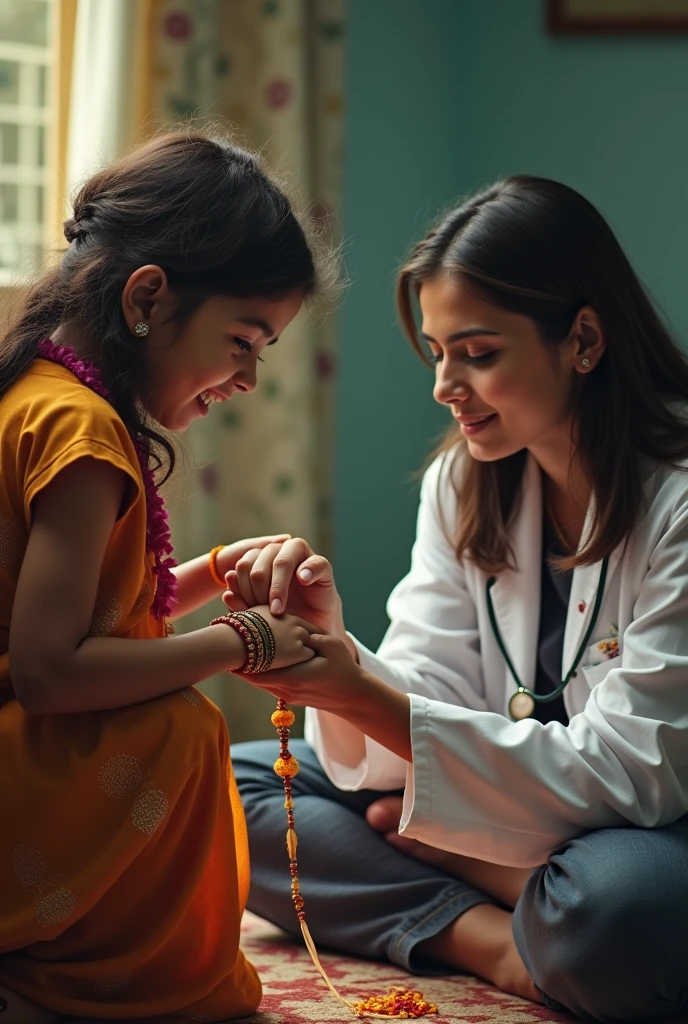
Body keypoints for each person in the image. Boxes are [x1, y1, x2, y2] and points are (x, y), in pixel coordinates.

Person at [229, 176, 688, 1024]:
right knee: (238, 787)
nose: (445, 385)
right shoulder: (463, 482)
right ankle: (498, 944)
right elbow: (428, 680)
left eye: (478, 353)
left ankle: (501, 888)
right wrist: (342, 656)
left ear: (583, 339)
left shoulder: (679, 506)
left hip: (646, 833)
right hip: (541, 827)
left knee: (629, 914)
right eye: (437, 352)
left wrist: (466, 839)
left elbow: (636, 774)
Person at [0, 130, 328, 1024]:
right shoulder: (84, 436)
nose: (250, 377)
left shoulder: (37, 391)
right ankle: (95, 986)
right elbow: (52, 670)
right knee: (182, 726)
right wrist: (247, 639)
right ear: (148, 296)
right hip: (19, 760)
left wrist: (218, 575)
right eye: (244, 339)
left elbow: (94, 617)